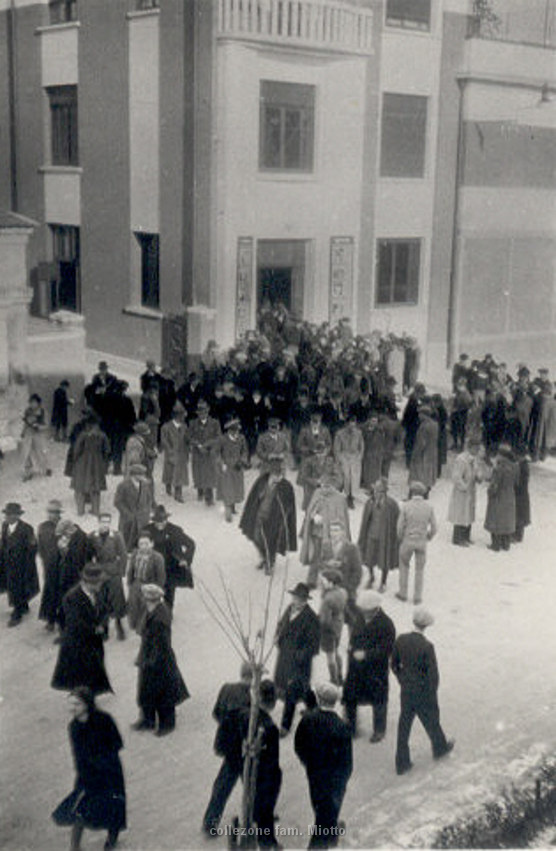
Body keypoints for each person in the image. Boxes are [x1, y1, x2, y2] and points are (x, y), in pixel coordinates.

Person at [52, 686, 126, 851]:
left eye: (77, 704)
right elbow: (76, 753)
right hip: (87, 774)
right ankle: (75, 846)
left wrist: (101, 761)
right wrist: (82, 772)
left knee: (113, 804)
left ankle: (111, 839)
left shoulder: (104, 719)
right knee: (80, 808)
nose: (72, 708)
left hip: (109, 771)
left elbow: (117, 743)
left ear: (87, 704)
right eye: (70, 704)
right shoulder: (74, 726)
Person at [391, 607, 454, 775]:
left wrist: (402, 679)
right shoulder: (427, 646)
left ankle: (401, 762)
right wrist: (431, 693)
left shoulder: (401, 639)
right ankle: (439, 748)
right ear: (426, 626)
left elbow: (394, 665)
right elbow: (433, 675)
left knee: (404, 726)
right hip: (423, 692)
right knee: (431, 721)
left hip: (406, 691)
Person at [294, 682, 353, 849]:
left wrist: (308, 764)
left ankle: (331, 835)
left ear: (319, 700)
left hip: (315, 775)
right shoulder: (342, 726)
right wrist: (342, 781)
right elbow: (348, 763)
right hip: (335, 781)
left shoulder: (308, 720)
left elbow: (299, 746)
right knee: (326, 816)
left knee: (321, 811)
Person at [202, 662, 253, 836]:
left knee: (222, 785)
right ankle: (259, 816)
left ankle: (210, 822)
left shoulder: (226, 688)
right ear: (253, 678)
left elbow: (216, 713)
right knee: (251, 782)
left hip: (227, 745)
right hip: (242, 749)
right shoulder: (251, 699)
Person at [132, 584, 189, 736]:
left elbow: (161, 643)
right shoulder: (151, 610)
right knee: (146, 689)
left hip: (160, 659)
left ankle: (167, 723)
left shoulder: (160, 616)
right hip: (148, 655)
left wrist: (152, 660)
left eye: (144, 597)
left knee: (163, 691)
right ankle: (148, 719)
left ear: (150, 599)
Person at [343, 589, 396, 743]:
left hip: (375, 670)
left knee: (378, 699)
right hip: (356, 668)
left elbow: (387, 649)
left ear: (375, 609)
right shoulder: (360, 617)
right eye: (363, 611)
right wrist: (351, 647)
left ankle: (379, 730)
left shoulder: (386, 624)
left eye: (367, 612)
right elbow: (354, 635)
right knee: (350, 696)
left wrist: (366, 654)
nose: (364, 614)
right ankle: (351, 727)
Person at [51, 563, 112, 695]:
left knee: (93, 672)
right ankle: (81, 699)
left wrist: (103, 624)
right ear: (88, 583)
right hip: (77, 644)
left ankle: (87, 695)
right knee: (80, 676)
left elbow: (105, 610)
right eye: (99, 582)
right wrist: (95, 629)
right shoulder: (72, 597)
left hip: (93, 642)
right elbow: (75, 623)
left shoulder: (98, 592)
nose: (101, 585)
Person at [274, 582, 320, 737]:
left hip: (299, 663)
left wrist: (300, 656)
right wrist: (277, 636)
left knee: (291, 692)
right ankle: (314, 708)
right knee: (303, 689)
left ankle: (285, 726)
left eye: (300, 598)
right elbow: (281, 625)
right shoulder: (289, 609)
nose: (296, 601)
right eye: (294, 597)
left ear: (306, 600)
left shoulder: (311, 618)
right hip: (285, 658)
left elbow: (314, 645)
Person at [240, 457, 297, 574]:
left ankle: (270, 563)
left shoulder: (286, 486)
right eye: (274, 471)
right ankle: (264, 557)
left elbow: (289, 505)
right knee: (256, 537)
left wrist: (283, 518)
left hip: (274, 519)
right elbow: (254, 497)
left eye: (279, 472)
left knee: (271, 541)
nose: (276, 474)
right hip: (259, 514)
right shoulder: (262, 481)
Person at [145, 505, 195, 609]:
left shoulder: (174, 530)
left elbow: (190, 544)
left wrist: (185, 559)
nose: (160, 524)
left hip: (171, 567)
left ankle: (167, 613)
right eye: (158, 521)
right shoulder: (147, 531)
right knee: (153, 592)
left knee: (169, 593)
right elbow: (137, 546)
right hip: (153, 567)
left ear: (167, 519)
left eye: (163, 521)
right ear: (154, 521)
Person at [88, 513, 128, 641]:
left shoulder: (116, 536)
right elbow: (88, 555)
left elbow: (123, 555)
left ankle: (119, 624)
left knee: (117, 599)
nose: (105, 524)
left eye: (107, 522)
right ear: (98, 522)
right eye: (102, 522)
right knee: (101, 600)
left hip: (113, 571)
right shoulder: (92, 536)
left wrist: (121, 572)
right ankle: (103, 627)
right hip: (99, 572)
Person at [396, 481, 437, 604]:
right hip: (421, 541)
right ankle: (417, 597)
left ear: (412, 492)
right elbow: (434, 527)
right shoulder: (428, 507)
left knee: (404, 565)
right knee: (419, 570)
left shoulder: (406, 506)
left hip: (408, 540)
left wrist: (401, 537)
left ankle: (403, 593)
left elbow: (399, 526)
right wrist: (428, 536)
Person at [0, 502, 39, 627]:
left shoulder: (26, 529)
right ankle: (23, 606)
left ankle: (17, 613)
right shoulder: (5, 526)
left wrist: (27, 565)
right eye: (6, 514)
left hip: (21, 565)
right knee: (12, 586)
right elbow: (4, 542)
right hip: (8, 562)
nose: (6, 517)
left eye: (10, 515)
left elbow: (32, 548)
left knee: (19, 586)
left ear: (17, 516)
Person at [358, 479, 399, 592]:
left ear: (384, 491)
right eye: (375, 490)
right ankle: (371, 577)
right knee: (368, 558)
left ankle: (383, 582)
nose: (375, 492)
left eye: (378, 490)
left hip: (385, 537)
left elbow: (397, 521)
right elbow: (365, 520)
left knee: (384, 560)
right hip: (371, 535)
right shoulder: (369, 502)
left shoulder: (391, 504)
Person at [70, 412, 111, 516]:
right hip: (97, 465)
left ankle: (80, 511)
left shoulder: (83, 435)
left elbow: (76, 449)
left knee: (79, 488)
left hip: (82, 464)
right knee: (96, 488)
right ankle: (96, 510)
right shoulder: (102, 435)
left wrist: (76, 460)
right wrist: (103, 461)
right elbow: (107, 450)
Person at [126, 530, 166, 633]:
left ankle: (144, 630)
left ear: (152, 544)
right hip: (136, 585)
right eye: (141, 544)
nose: (143, 546)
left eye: (146, 543)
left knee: (146, 609)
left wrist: (157, 590)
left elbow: (161, 577)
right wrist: (130, 584)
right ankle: (135, 625)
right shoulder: (135, 554)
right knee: (134, 607)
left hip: (150, 586)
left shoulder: (158, 557)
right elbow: (131, 570)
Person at [484, 444, 518, 551]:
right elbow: (517, 482)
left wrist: (489, 492)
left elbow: (495, 485)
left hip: (499, 497)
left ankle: (496, 545)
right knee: (507, 520)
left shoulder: (499, 468)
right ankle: (506, 544)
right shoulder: (515, 467)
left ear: (501, 455)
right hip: (510, 496)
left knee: (496, 519)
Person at [216, 416, 250, 522]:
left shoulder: (241, 438)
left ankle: (233, 506)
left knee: (236, 487)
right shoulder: (222, 439)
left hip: (237, 466)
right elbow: (217, 453)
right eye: (234, 430)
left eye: (237, 430)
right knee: (227, 488)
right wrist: (221, 463)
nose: (236, 433)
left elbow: (245, 451)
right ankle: (228, 512)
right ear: (229, 430)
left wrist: (243, 460)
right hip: (226, 467)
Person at [38, 499, 65, 632]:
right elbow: (41, 548)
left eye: (54, 512)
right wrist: (44, 562)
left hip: (62, 566)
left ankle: (62, 622)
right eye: (49, 512)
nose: (51, 515)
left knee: (62, 593)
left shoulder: (66, 526)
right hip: (49, 565)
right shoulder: (43, 527)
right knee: (50, 592)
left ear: (59, 513)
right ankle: (50, 619)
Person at [447, 441, 481, 546]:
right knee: (460, 513)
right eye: (476, 448)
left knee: (469, 513)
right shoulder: (461, 459)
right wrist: (464, 487)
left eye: (478, 449)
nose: (477, 451)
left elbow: (476, 471)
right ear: (469, 447)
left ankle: (466, 536)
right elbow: (456, 477)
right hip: (462, 491)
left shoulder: (474, 459)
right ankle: (457, 538)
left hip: (471, 490)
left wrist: (478, 477)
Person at [113, 464, 154, 551]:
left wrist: (147, 511)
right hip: (128, 521)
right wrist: (128, 514)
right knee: (126, 544)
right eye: (141, 475)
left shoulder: (145, 485)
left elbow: (150, 499)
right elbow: (117, 502)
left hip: (142, 520)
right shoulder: (123, 485)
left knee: (141, 543)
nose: (143, 477)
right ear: (134, 475)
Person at [189, 398, 221, 505]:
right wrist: (198, 445)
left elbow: (218, 437)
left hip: (209, 452)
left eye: (204, 412)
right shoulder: (193, 423)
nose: (202, 414)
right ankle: (199, 491)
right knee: (198, 473)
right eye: (200, 412)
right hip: (198, 452)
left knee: (209, 474)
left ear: (208, 412)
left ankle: (209, 496)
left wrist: (207, 445)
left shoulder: (215, 423)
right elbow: (189, 437)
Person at [319, 569, 348, 686]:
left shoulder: (327, 599)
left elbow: (324, 620)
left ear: (331, 583)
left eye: (324, 581)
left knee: (330, 656)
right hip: (338, 626)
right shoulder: (342, 592)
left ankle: (334, 679)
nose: (321, 583)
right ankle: (340, 676)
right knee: (336, 652)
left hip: (328, 630)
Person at [160, 404, 190, 503]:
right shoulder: (166, 427)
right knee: (169, 472)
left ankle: (178, 493)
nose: (183, 417)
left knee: (180, 473)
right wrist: (169, 449)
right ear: (177, 416)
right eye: (182, 415)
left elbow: (187, 439)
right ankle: (168, 485)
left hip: (182, 453)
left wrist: (188, 448)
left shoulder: (185, 426)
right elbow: (163, 440)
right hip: (171, 453)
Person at [333, 414, 364, 510]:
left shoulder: (358, 433)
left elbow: (361, 446)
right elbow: (336, 448)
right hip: (344, 456)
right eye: (350, 425)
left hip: (355, 457)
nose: (352, 427)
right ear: (346, 424)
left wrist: (359, 457)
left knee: (354, 478)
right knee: (346, 477)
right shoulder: (339, 434)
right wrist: (339, 459)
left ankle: (351, 496)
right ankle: (345, 496)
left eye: (354, 425)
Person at [21, 393, 51, 480]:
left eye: (34, 402)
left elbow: (46, 425)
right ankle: (28, 472)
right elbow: (25, 422)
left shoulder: (43, 411)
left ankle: (46, 468)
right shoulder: (27, 411)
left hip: (39, 434)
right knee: (27, 452)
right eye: (30, 402)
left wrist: (38, 426)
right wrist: (23, 432)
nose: (32, 404)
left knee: (41, 452)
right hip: (29, 433)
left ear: (38, 403)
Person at [408, 406, 439, 494]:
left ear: (424, 415)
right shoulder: (435, 425)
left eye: (420, 414)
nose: (419, 416)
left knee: (418, 473)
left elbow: (421, 443)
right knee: (429, 472)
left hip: (423, 454)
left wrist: (415, 454)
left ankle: (417, 492)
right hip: (432, 452)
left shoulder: (424, 426)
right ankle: (427, 490)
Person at [513, 446, 531, 543]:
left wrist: (514, 486)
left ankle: (517, 536)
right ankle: (518, 535)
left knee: (519, 514)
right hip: (523, 494)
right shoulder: (524, 464)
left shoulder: (522, 466)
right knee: (520, 514)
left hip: (520, 494)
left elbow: (520, 481)